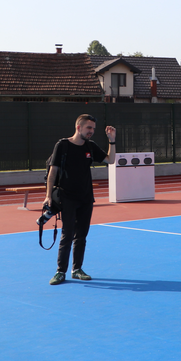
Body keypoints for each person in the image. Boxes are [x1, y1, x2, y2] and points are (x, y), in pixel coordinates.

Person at [45, 114, 117, 285]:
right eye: (89, 128)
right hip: (67, 197)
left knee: (81, 235)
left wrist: (112, 141)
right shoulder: (62, 145)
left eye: (93, 128)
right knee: (67, 234)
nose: (91, 131)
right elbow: (52, 172)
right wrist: (48, 195)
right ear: (79, 127)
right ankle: (60, 272)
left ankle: (77, 269)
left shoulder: (90, 147)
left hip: (86, 198)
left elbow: (111, 160)